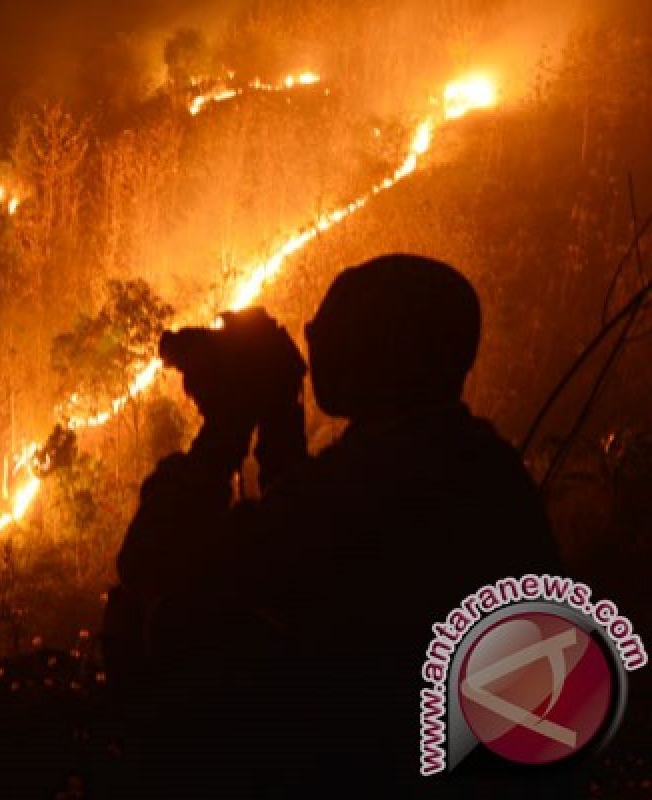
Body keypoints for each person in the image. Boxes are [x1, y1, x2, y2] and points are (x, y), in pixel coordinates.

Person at [104, 254, 572, 798]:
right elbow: (306, 544)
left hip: (396, 756)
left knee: (159, 619)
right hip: (463, 750)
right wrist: (279, 414)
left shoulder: (389, 470)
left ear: (381, 351)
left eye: (326, 328)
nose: (312, 341)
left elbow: (154, 561)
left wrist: (225, 426)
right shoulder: (468, 456)